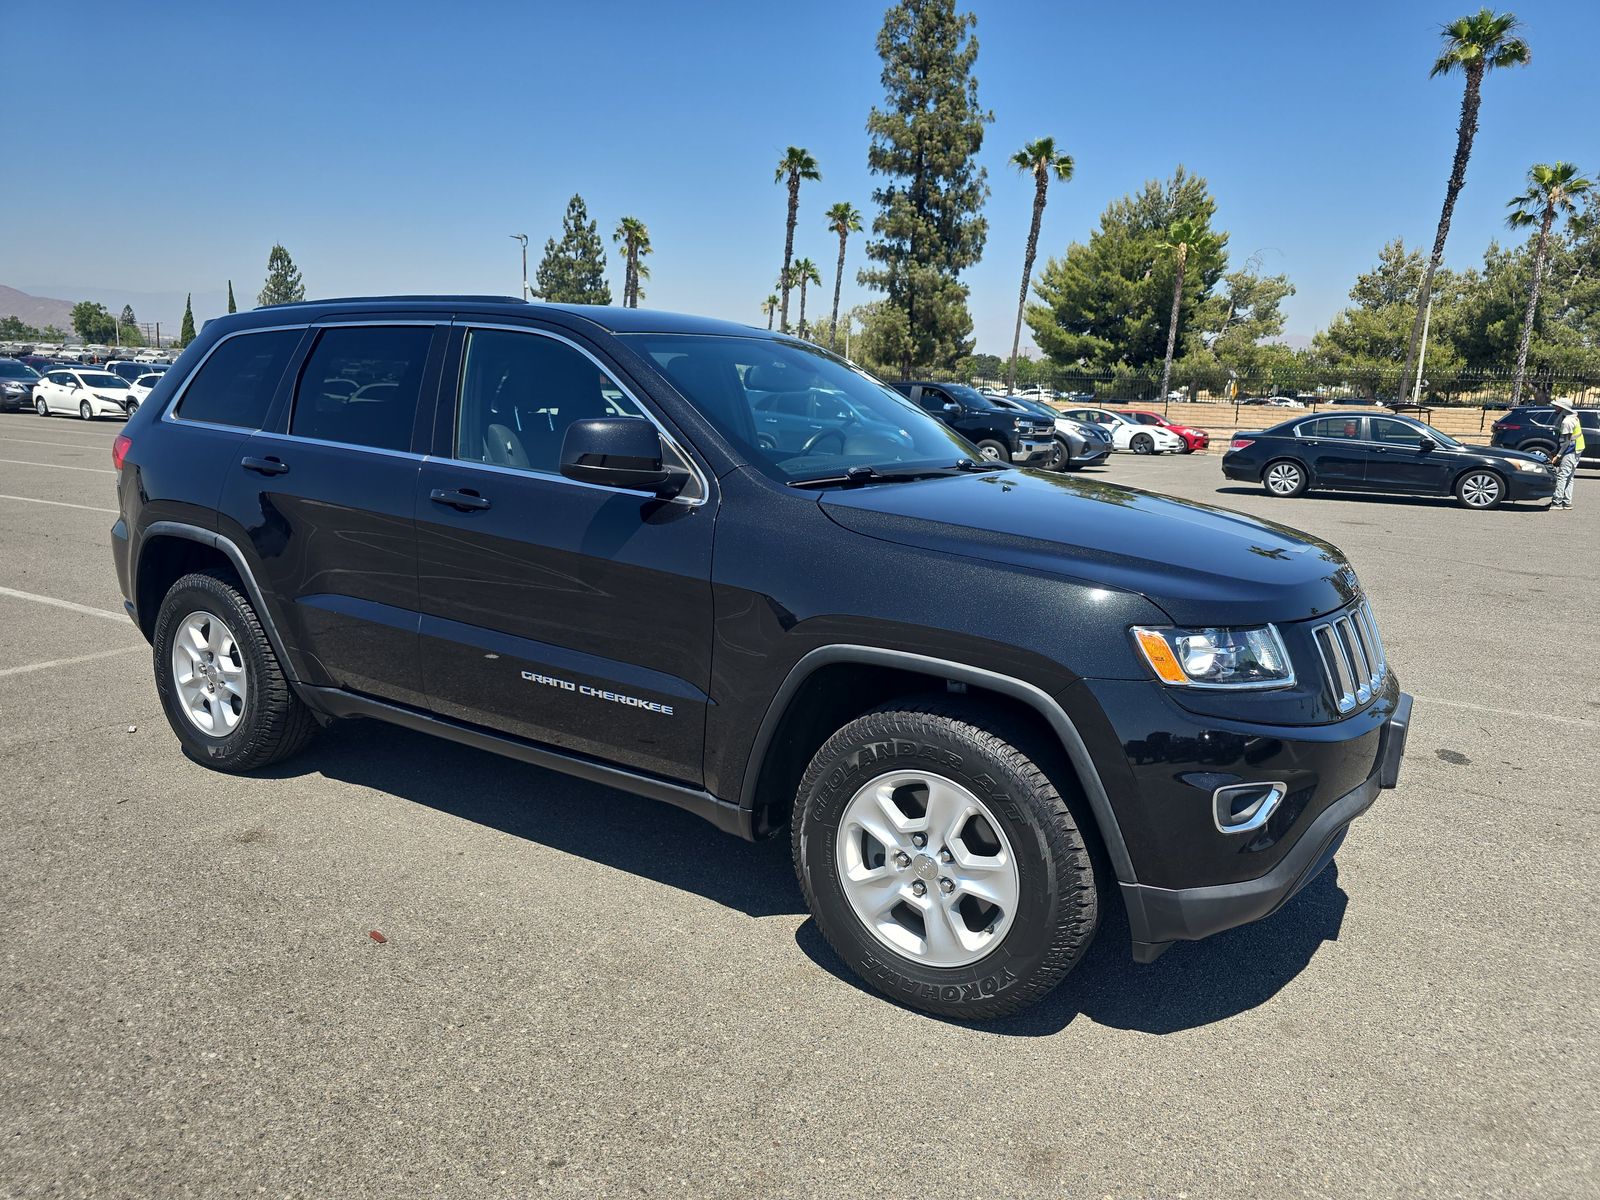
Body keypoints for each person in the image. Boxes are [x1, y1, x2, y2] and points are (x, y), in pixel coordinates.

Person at [1550, 398, 1585, 511]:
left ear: (1562, 408)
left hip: (1571, 450)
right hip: (1577, 448)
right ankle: (1566, 502)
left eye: (1557, 406)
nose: (1555, 408)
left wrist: (1558, 456)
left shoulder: (1567, 422)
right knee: (1569, 476)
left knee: (1562, 475)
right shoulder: (1571, 416)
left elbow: (1566, 443)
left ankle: (1557, 502)